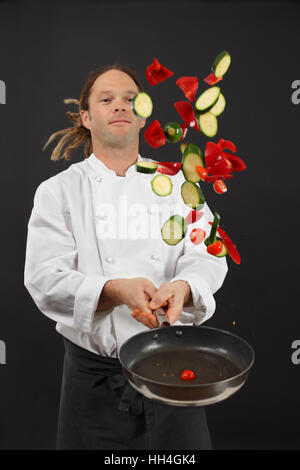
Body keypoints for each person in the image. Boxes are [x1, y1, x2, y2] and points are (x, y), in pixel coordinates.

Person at [24, 63, 228, 450]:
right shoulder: (58, 192)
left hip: (172, 367)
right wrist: (116, 290)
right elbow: (43, 279)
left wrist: (184, 287)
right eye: (106, 99)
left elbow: (208, 252)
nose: (120, 106)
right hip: (93, 379)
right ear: (86, 117)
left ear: (143, 115)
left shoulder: (180, 184)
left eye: (131, 100)